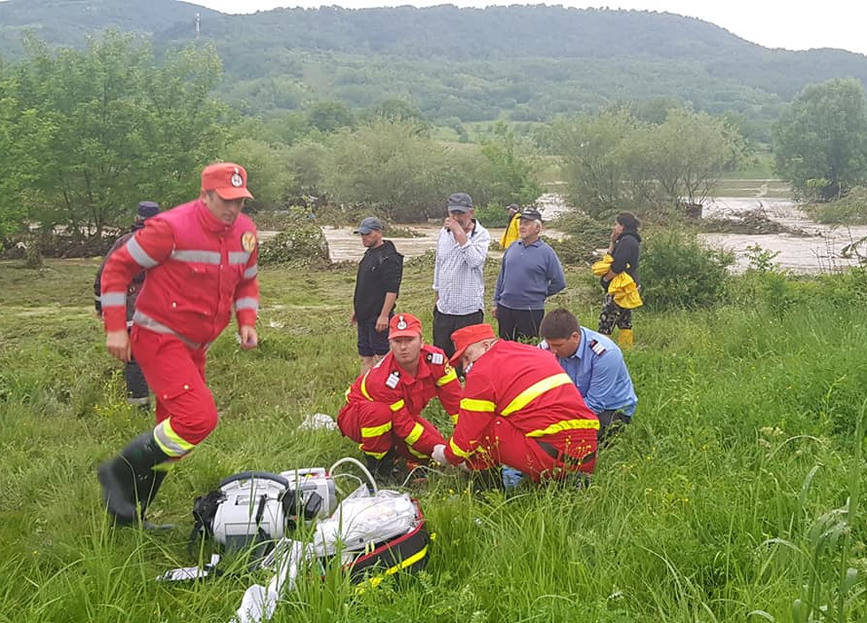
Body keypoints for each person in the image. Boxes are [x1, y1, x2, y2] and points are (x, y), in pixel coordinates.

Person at [97, 162, 260, 527]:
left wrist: (246, 321)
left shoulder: (246, 234)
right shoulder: (170, 228)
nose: (233, 210)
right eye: (225, 201)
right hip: (158, 336)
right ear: (205, 196)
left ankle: (129, 516)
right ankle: (118, 472)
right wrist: (114, 329)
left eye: (240, 202)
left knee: (172, 437)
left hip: (195, 346)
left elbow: (247, 281)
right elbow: (116, 269)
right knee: (197, 418)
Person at [431, 323, 598, 484]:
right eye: (463, 363)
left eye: (467, 357)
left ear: (486, 346)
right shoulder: (534, 353)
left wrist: (447, 455)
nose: (466, 366)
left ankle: (485, 487)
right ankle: (562, 479)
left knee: (485, 425)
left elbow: (468, 436)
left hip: (553, 460)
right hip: (588, 453)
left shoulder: (481, 371)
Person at [338, 313, 461, 481]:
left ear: (422, 341)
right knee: (379, 414)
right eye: (397, 341)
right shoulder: (383, 379)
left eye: (409, 340)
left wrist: (464, 441)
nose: (403, 347)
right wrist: (442, 451)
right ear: (390, 344)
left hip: (400, 416)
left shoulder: (437, 361)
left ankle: (399, 455)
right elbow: (405, 427)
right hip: (357, 418)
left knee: (432, 446)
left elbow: (456, 403)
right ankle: (379, 469)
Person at [93, 201, 159, 410]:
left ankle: (138, 406)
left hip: (132, 311)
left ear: (137, 218)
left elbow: (105, 275)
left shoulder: (124, 243)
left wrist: (100, 306)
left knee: (134, 358)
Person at [539, 308, 637, 443]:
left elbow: (595, 404)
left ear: (575, 337)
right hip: (567, 406)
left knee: (573, 440)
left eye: (558, 346)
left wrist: (557, 418)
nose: (553, 351)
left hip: (609, 409)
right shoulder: (548, 347)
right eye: (550, 345)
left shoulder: (605, 354)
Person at [432, 192, 491, 358]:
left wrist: (460, 234)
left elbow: (475, 261)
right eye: (453, 213)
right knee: (442, 356)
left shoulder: (482, 235)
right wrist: (437, 294)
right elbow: (439, 263)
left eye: (461, 213)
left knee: (468, 356)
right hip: (444, 308)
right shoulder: (443, 233)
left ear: (471, 213)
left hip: (468, 310)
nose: (456, 217)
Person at [493, 209, 566, 341]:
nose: (521, 227)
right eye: (521, 223)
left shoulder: (547, 253)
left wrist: (540, 293)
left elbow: (559, 282)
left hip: (530, 311)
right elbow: (502, 276)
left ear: (538, 228)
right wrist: (496, 302)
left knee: (528, 350)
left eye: (526, 223)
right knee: (505, 348)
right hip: (505, 308)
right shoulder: (512, 247)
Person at [350, 216, 403, 374]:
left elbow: (392, 290)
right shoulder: (369, 254)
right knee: (365, 355)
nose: (364, 238)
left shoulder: (389, 257)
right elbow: (364, 286)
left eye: (367, 234)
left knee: (382, 356)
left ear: (379, 233)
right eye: (362, 234)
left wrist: (384, 316)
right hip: (364, 314)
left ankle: (385, 390)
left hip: (379, 317)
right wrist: (357, 310)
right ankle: (362, 391)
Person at [599, 212, 641, 348]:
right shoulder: (627, 240)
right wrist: (612, 241)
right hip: (627, 287)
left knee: (606, 320)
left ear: (623, 226)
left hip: (619, 287)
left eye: (616, 224)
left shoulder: (627, 241)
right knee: (624, 319)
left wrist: (606, 279)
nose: (614, 227)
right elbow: (609, 257)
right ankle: (626, 348)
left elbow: (617, 265)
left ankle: (603, 350)